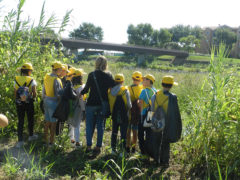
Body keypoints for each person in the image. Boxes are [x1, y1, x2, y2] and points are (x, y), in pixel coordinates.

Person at [81, 56, 115, 155]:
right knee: (100, 125)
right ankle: (98, 146)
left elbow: (86, 89)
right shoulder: (108, 75)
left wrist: (79, 93)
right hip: (102, 104)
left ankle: (88, 146)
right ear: (105, 64)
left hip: (91, 103)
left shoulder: (92, 75)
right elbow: (113, 87)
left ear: (96, 64)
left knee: (89, 126)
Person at [150, 75, 181, 166]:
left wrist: (149, 121)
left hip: (156, 120)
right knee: (166, 142)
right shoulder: (173, 97)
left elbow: (151, 108)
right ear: (171, 86)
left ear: (162, 84)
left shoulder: (155, 95)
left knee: (156, 140)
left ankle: (156, 159)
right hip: (168, 122)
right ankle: (165, 161)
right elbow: (175, 112)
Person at [14, 63, 38, 148]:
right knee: (30, 119)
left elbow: (15, 93)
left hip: (19, 103)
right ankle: (31, 136)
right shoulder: (31, 80)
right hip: (29, 102)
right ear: (28, 71)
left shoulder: (16, 79)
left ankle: (20, 141)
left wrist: (19, 100)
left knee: (20, 121)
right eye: (31, 70)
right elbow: (34, 93)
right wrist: (32, 97)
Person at [108, 74, 132, 154]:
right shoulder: (125, 90)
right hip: (124, 115)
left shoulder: (110, 90)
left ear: (115, 81)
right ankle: (122, 152)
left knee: (114, 132)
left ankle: (113, 150)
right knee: (123, 134)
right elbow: (129, 105)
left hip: (114, 115)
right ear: (122, 81)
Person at [43, 62, 63, 147]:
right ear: (57, 69)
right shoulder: (57, 80)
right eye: (60, 69)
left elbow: (44, 90)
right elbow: (58, 95)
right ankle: (51, 142)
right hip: (53, 103)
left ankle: (45, 141)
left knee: (47, 122)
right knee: (53, 123)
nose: (61, 71)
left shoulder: (47, 77)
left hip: (46, 101)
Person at [138, 74, 157, 154]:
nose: (142, 81)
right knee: (149, 133)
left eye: (144, 79)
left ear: (149, 81)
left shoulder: (144, 91)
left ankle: (143, 151)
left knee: (141, 133)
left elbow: (140, 103)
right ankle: (150, 150)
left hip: (143, 114)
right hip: (151, 114)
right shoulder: (155, 91)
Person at [68, 69, 86, 148]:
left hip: (70, 106)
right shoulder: (81, 88)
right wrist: (83, 109)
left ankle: (72, 140)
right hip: (78, 108)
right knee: (77, 125)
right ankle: (77, 143)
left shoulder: (70, 86)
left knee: (71, 123)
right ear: (80, 78)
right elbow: (81, 100)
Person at [126, 71, 143, 153]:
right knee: (135, 131)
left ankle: (127, 146)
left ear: (132, 78)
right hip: (137, 113)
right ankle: (133, 148)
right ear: (140, 79)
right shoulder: (142, 88)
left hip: (129, 112)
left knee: (128, 130)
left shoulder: (127, 88)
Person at [56, 64, 69, 136]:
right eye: (66, 72)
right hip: (58, 102)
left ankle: (59, 133)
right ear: (62, 71)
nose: (66, 74)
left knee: (61, 120)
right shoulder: (58, 79)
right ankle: (57, 134)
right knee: (58, 120)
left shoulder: (63, 79)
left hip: (61, 103)